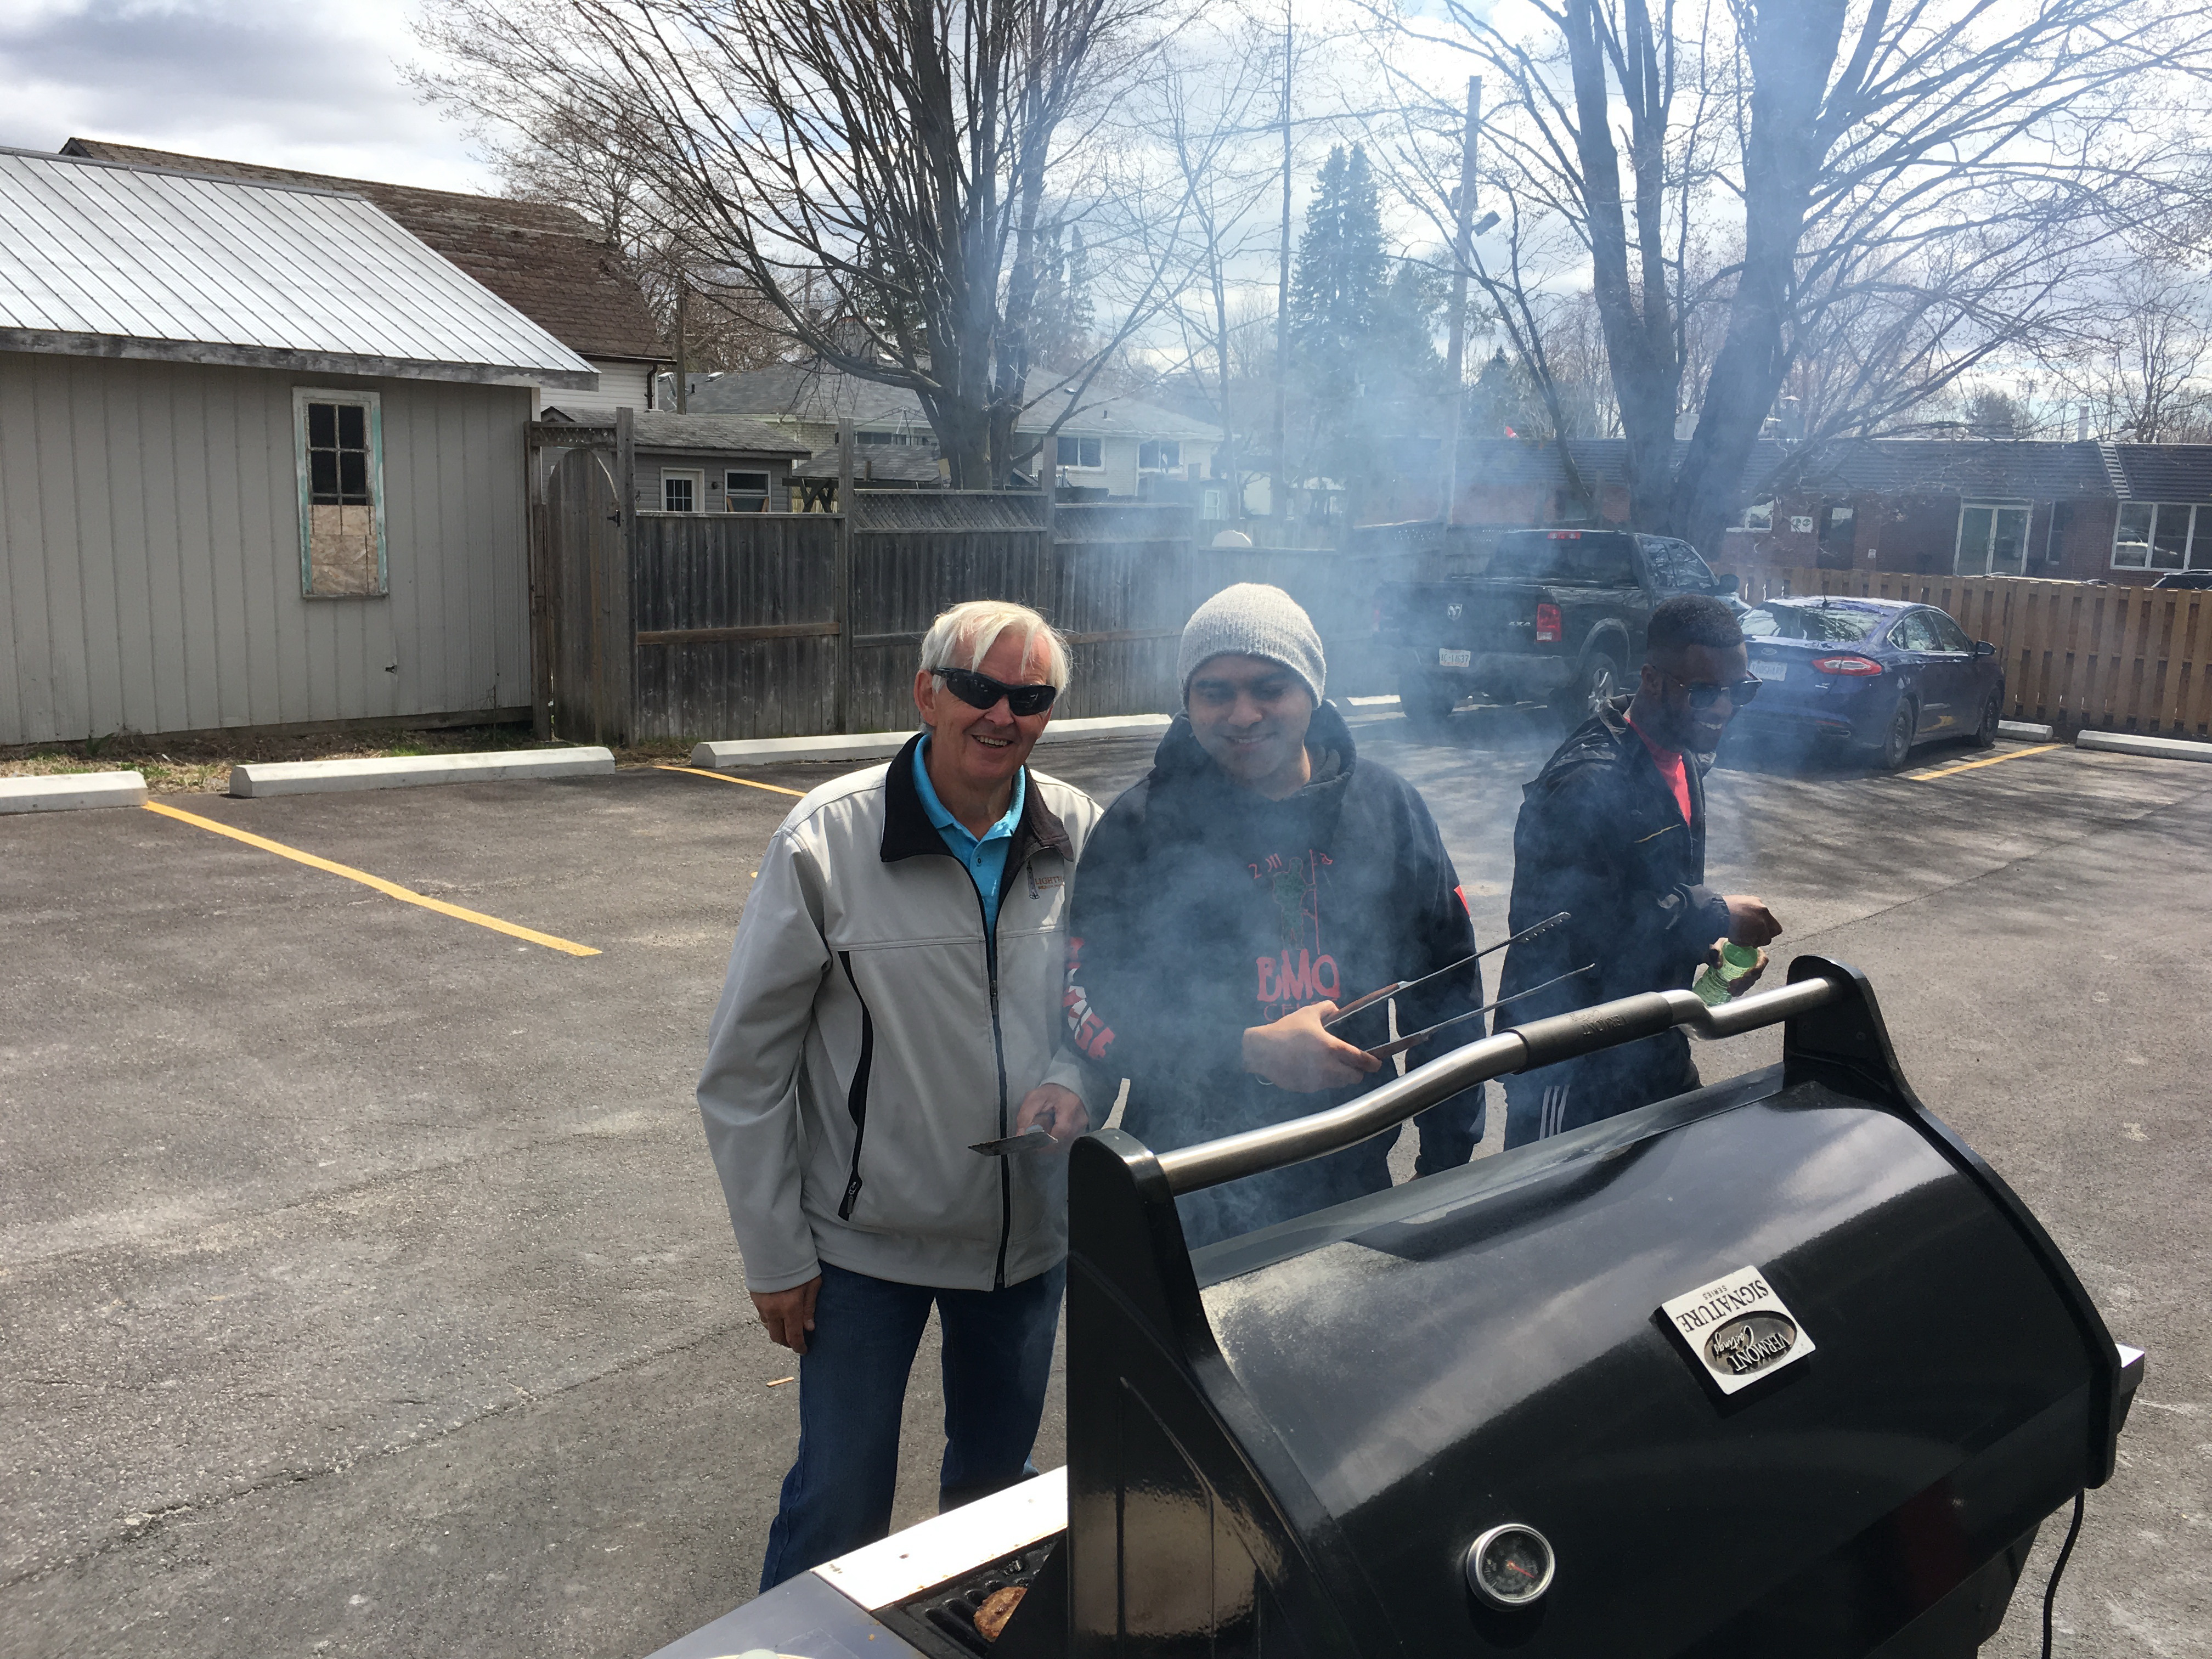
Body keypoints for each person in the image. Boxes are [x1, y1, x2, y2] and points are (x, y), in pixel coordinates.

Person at [696, 600, 1102, 1590]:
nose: (1002, 715)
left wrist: (1073, 1073)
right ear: (925, 691)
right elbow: (746, 1064)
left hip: (1024, 1242)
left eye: (1031, 697)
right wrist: (774, 1251)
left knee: (992, 1503)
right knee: (839, 1501)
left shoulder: (1077, 832)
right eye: (978, 688)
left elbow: (1104, 1002)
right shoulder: (826, 840)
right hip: (861, 1250)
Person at [1064, 583, 1488, 1250]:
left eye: (1270, 686)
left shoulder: (1389, 808)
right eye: (1214, 691)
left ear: (1312, 690)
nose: (1243, 713)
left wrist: (1446, 1159)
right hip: (1186, 1184)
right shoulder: (1140, 827)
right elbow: (1091, 1006)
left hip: (1351, 1176)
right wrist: (1246, 1050)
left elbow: (1449, 987)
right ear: (1188, 700)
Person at [1494, 592, 1782, 1147]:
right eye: (1705, 691)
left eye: (1737, 690)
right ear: (1652, 680)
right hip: (1571, 1066)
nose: (1723, 708)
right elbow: (1572, 931)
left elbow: (1651, 914)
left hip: (1655, 1048)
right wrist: (1716, 915)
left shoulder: (1685, 762)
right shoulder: (1583, 781)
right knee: (1556, 1227)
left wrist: (1716, 976)